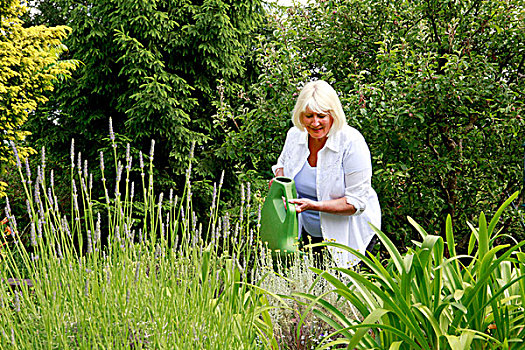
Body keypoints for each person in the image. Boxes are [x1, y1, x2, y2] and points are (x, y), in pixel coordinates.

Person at [272, 80, 381, 268]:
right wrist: (279, 186)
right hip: (307, 231)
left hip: (348, 235)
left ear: (333, 115)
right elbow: (281, 166)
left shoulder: (351, 143)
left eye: (321, 116)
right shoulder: (294, 135)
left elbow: (356, 203)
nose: (315, 123)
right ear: (300, 115)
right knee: (310, 289)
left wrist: (313, 205)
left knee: (345, 291)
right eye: (309, 116)